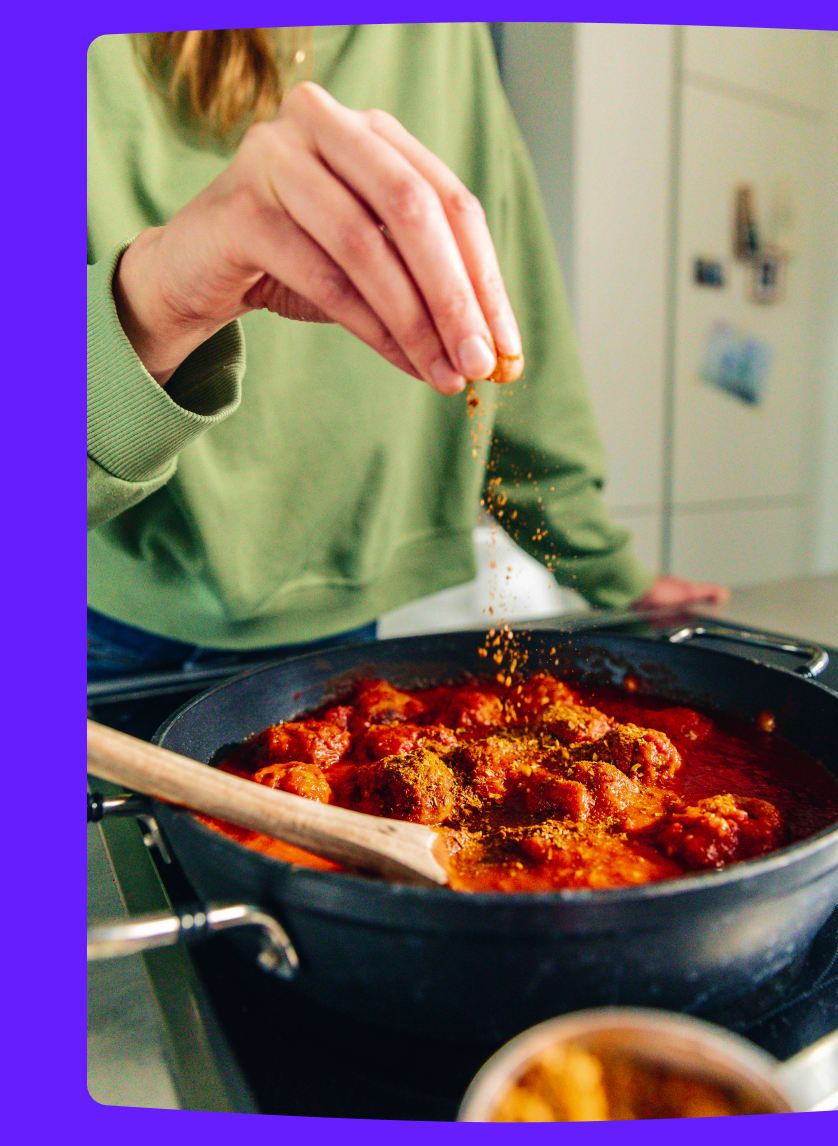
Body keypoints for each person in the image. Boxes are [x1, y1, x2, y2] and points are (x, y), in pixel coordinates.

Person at [87, 25, 726, 681]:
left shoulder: (448, 35)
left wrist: (614, 574)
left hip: (348, 623)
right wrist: (160, 293)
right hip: (110, 624)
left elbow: (503, 331)